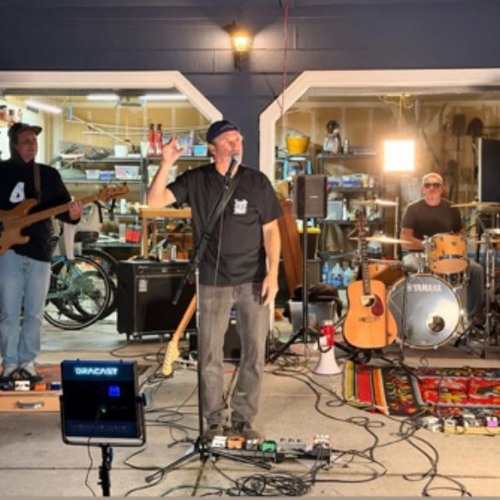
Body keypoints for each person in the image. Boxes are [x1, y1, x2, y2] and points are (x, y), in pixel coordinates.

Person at [147, 119, 282, 441]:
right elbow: (154, 202)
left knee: (254, 353)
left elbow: (271, 230)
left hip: (253, 280)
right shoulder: (197, 180)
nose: (236, 144)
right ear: (212, 148)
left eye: (238, 139)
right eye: (228, 140)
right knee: (209, 355)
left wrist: (273, 273)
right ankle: (213, 422)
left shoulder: (257, 182)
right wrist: (166, 163)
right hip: (212, 281)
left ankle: (243, 419)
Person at [0, 123, 83, 385]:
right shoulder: (1, 172)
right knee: (8, 312)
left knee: (35, 312)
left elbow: (64, 212)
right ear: (14, 144)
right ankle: (9, 363)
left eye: (34, 141)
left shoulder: (47, 175)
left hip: (39, 251)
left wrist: (74, 215)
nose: (32, 145)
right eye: (26, 140)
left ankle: (28, 361)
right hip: (8, 252)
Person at [400, 171, 484, 326]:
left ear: (442, 188)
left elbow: (460, 233)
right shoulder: (413, 209)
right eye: (428, 185)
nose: (431, 188)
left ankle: (474, 318)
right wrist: (425, 245)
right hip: (418, 255)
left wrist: (457, 243)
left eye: (436, 185)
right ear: (422, 189)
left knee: (476, 270)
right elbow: (405, 238)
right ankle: (416, 318)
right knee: (412, 266)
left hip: (447, 257)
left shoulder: (452, 208)